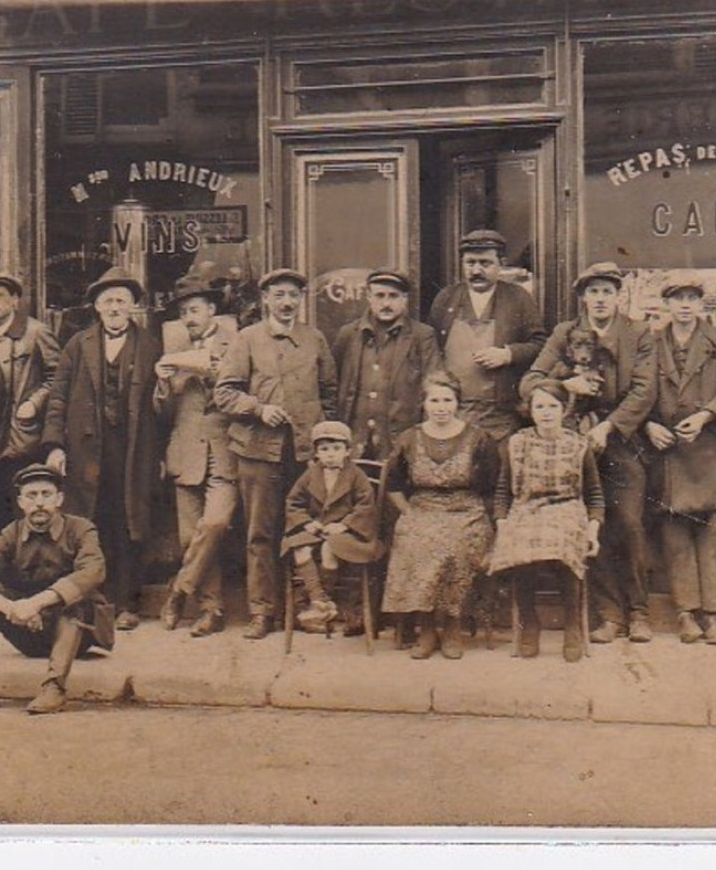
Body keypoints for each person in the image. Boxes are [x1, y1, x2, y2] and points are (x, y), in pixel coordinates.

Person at [521, 262, 656, 644]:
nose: (600, 299)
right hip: (574, 448)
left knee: (628, 523)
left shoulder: (638, 333)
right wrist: (568, 383)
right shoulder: (565, 334)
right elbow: (529, 383)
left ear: (619, 296)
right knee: (588, 524)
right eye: (593, 292)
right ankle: (609, 614)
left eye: (607, 291)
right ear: (583, 297)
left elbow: (644, 391)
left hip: (621, 441)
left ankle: (639, 612)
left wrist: (607, 426)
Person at [214, 268, 338, 640]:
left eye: (293, 296)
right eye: (279, 295)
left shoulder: (314, 338)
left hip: (303, 455)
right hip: (258, 452)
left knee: (304, 529)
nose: (287, 303)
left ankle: (304, 608)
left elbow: (329, 393)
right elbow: (224, 393)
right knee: (260, 533)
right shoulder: (247, 339)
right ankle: (262, 611)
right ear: (265, 299)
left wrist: (322, 435)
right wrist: (259, 408)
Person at [42, 267, 163, 632]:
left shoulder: (150, 345)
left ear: (132, 307)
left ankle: (128, 602)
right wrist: (54, 445)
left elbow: (162, 407)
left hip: (133, 449)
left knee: (130, 523)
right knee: (90, 521)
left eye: (121, 301)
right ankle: (92, 600)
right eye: (108, 300)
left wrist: (160, 454)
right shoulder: (78, 345)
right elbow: (58, 397)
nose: (114, 307)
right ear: (96, 306)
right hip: (86, 449)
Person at [0, 463, 114, 715]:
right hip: (26, 630)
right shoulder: (11, 533)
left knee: (77, 599)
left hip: (78, 634)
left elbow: (92, 572)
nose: (39, 503)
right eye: (32, 496)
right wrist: (11, 607)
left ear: (59, 499)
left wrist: (36, 604)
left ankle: (54, 687)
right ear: (21, 502)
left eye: (46, 495)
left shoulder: (80, 529)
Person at [642, 276, 716, 646]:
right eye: (677, 299)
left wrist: (705, 417)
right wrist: (649, 424)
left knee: (712, 537)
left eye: (692, 298)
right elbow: (636, 392)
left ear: (701, 305)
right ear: (666, 305)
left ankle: (714, 616)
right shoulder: (650, 342)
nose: (685, 305)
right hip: (667, 452)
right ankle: (685, 614)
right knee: (675, 538)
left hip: (712, 452)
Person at [380, 370, 501, 660]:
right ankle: (425, 628)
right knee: (416, 539)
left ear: (458, 402)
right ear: (424, 403)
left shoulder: (479, 438)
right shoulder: (410, 438)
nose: (441, 407)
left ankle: (452, 626)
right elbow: (393, 484)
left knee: (457, 543)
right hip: (422, 507)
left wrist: (479, 514)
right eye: (434, 400)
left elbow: (492, 485)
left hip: (467, 509)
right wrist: (409, 512)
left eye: (448, 399)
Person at [487, 383, 604, 662]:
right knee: (520, 542)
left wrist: (593, 530)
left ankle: (573, 623)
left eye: (553, 406)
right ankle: (529, 621)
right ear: (531, 411)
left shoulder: (578, 445)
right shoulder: (517, 443)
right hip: (526, 508)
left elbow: (595, 495)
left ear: (564, 409)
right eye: (540, 406)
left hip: (567, 509)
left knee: (562, 541)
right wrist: (503, 526)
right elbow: (503, 492)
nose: (546, 413)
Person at [153, 273, 239, 637]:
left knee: (216, 523)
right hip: (185, 450)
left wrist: (198, 365)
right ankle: (211, 609)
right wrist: (161, 382)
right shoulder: (172, 346)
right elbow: (161, 412)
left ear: (212, 310)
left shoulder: (236, 340)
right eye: (183, 312)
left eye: (194, 310)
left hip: (225, 451)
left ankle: (178, 589)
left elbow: (236, 383)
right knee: (191, 538)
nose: (189, 318)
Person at [426, 230, 547, 442]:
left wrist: (508, 354)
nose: (476, 270)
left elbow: (540, 344)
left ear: (501, 263)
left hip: (500, 415)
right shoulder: (446, 298)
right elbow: (430, 350)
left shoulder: (517, 297)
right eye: (470, 263)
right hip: (454, 410)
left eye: (485, 263)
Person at [0, 269, 59, 546]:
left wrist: (34, 402)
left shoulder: (35, 332)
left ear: (15, 301)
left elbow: (58, 377)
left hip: (23, 441)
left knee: (24, 514)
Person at [280, 421, 384, 635]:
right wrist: (307, 522)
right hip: (317, 529)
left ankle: (320, 605)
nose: (330, 455)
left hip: (348, 534)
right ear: (316, 453)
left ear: (347, 451)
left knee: (330, 549)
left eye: (336, 449)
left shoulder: (356, 475)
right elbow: (293, 502)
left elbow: (366, 506)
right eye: (324, 449)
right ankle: (321, 602)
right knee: (300, 548)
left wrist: (344, 525)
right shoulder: (310, 475)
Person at [331, 269, 443, 461]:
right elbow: (332, 385)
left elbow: (435, 388)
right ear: (368, 296)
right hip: (354, 440)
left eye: (393, 296)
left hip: (399, 441)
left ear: (405, 299)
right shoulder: (348, 334)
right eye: (380, 296)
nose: (386, 303)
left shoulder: (422, 336)